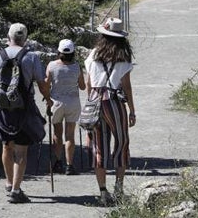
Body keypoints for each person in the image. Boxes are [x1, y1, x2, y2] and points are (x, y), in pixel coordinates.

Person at [0, 23, 52, 204]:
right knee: (21, 151)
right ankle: (16, 190)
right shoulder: (31, 56)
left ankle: (9, 183)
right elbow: (41, 83)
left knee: (6, 146)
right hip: (24, 108)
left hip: (3, 108)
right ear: (25, 38)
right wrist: (48, 99)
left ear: (8, 36)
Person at [85, 17, 136, 205]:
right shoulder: (123, 56)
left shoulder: (93, 54)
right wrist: (132, 110)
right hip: (113, 100)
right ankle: (119, 188)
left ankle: (103, 191)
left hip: (95, 100)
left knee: (99, 146)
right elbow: (127, 86)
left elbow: (89, 83)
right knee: (121, 143)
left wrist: (90, 104)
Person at [45, 39, 86, 175]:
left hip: (56, 102)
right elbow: (82, 86)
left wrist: (47, 97)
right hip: (73, 102)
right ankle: (70, 165)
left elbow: (46, 84)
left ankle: (58, 162)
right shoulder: (76, 67)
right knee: (70, 135)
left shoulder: (51, 66)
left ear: (59, 51)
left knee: (57, 133)